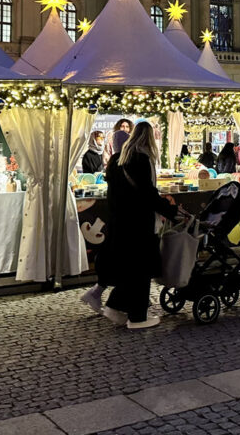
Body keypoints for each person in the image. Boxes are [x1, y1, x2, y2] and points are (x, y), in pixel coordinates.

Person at [99, 121, 180, 329]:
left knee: (131, 268)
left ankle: (115, 306)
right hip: (140, 223)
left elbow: (114, 195)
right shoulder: (142, 160)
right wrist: (170, 211)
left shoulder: (117, 159)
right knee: (141, 270)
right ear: (150, 139)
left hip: (121, 223)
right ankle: (137, 316)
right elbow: (148, 194)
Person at [81, 129, 130, 316]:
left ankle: (98, 292)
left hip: (116, 216)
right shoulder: (122, 162)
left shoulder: (113, 162)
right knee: (122, 258)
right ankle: (113, 300)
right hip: (122, 217)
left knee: (115, 256)